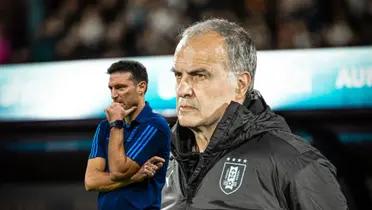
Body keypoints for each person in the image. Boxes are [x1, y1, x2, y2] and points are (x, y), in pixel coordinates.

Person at [161, 18, 348, 209]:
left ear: (240, 85)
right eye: (178, 75)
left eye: (199, 76)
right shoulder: (158, 159)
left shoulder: (295, 162)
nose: (182, 89)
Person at [84, 60, 171, 210]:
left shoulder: (155, 125)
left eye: (120, 87)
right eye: (111, 88)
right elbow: (91, 181)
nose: (114, 95)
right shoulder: (104, 126)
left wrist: (117, 124)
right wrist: (132, 178)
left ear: (141, 87)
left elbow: (119, 171)